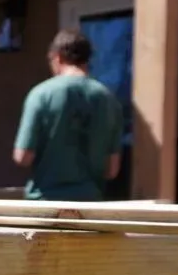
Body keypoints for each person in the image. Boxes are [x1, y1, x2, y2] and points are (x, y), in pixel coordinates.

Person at [12, 29, 123, 201]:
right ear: (87, 60)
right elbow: (111, 170)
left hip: (46, 202)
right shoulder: (108, 99)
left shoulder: (42, 94)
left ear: (57, 57)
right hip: (90, 205)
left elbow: (23, 156)